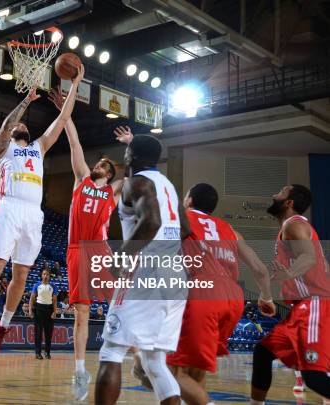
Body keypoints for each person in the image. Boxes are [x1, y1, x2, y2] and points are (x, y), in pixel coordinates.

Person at [0, 65, 85, 356]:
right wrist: (25, 102)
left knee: (21, 275)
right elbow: (6, 126)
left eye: (23, 126)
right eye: (18, 127)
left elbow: (62, 119)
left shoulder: (39, 147)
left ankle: (2, 329)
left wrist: (76, 84)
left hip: (34, 214)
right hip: (9, 207)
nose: (20, 127)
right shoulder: (3, 149)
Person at [95, 135, 190, 405]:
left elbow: (152, 220)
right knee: (155, 362)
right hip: (174, 275)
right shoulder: (169, 186)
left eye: (126, 152)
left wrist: (120, 258)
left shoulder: (134, 183)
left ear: (130, 156)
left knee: (111, 351)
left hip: (143, 272)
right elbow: (186, 229)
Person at [48, 89, 131, 400]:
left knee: (120, 305)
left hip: (100, 252)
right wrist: (65, 113)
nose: (98, 166)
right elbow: (74, 143)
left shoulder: (115, 190)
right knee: (81, 314)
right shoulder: (81, 178)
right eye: (98, 164)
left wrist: (130, 145)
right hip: (77, 251)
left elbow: (136, 173)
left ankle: (131, 355)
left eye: (103, 167)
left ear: (109, 174)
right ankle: (80, 371)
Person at [164, 183, 276, 405]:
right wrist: (267, 297)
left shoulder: (181, 219)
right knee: (194, 371)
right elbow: (260, 269)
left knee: (164, 370)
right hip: (233, 298)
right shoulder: (231, 231)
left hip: (203, 291)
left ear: (189, 200)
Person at [250, 184, 330, 403]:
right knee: (263, 352)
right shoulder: (295, 227)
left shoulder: (294, 225)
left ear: (289, 202)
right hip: (304, 307)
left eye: (281, 192)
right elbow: (323, 266)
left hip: (314, 304)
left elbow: (309, 258)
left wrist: (289, 274)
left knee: (313, 377)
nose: (273, 194)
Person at [28, 269, 57, 360]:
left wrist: (54, 312)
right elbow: (32, 299)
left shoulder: (53, 286)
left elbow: (55, 300)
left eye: (47, 274)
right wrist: (30, 310)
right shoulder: (36, 285)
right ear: (41, 275)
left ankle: (47, 353)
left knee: (48, 334)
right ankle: (38, 353)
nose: (45, 276)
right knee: (38, 333)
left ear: (49, 276)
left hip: (49, 310)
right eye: (44, 274)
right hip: (38, 309)